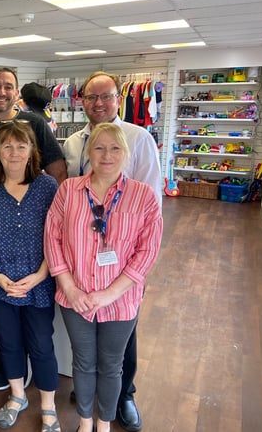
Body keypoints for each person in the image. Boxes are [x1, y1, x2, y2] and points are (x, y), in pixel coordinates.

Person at [44, 122, 162, 432]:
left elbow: (146, 251)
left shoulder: (143, 196)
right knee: (83, 362)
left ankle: (104, 423)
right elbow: (52, 240)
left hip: (121, 301)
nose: (106, 155)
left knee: (112, 366)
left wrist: (109, 294)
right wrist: (69, 288)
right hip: (75, 297)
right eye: (99, 147)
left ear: (126, 153)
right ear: (88, 153)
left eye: (115, 148)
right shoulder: (68, 191)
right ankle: (85, 422)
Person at [0, 66, 67, 391]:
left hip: (29, 237)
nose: (1, 91)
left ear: (16, 92)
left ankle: (22, 360)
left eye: (8, 86)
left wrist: (47, 207)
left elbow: (57, 167)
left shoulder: (34, 123)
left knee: (37, 328)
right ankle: (13, 354)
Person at [0, 120, 61, 432]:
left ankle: (48, 406)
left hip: (39, 284)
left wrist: (39, 276)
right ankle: (17, 395)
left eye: (21, 145)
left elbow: (59, 239)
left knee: (41, 345)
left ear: (32, 151)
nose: (14, 152)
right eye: (7, 145)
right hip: (0, 287)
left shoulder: (49, 188)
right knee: (8, 343)